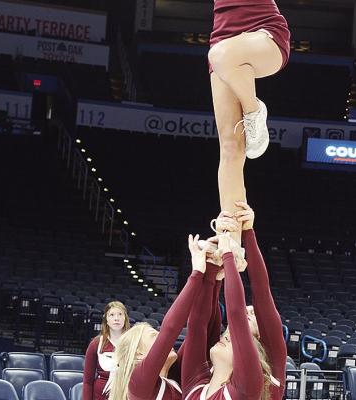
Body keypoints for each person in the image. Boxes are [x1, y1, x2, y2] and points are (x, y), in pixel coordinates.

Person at [183, 203, 287, 400]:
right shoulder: (204, 377)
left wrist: (240, 243)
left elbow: (260, 293)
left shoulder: (268, 365)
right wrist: (216, 260)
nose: (249, 311)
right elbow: (199, 323)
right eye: (249, 311)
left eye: (254, 315)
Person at [209, 0, 290, 245]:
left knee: (220, 54)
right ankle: (231, 244)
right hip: (223, 39)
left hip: (264, 32)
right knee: (231, 148)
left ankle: (254, 111)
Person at [108, 234, 221, 400]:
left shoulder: (173, 374)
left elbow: (202, 329)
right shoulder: (138, 383)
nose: (162, 339)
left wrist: (213, 274)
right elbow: (170, 329)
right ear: (138, 354)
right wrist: (196, 273)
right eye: (155, 336)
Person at [83, 301, 130, 400]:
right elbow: (87, 381)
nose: (116, 318)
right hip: (100, 396)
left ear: (125, 318)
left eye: (120, 314)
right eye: (112, 315)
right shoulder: (95, 344)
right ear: (106, 320)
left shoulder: (133, 344)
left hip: (125, 394)